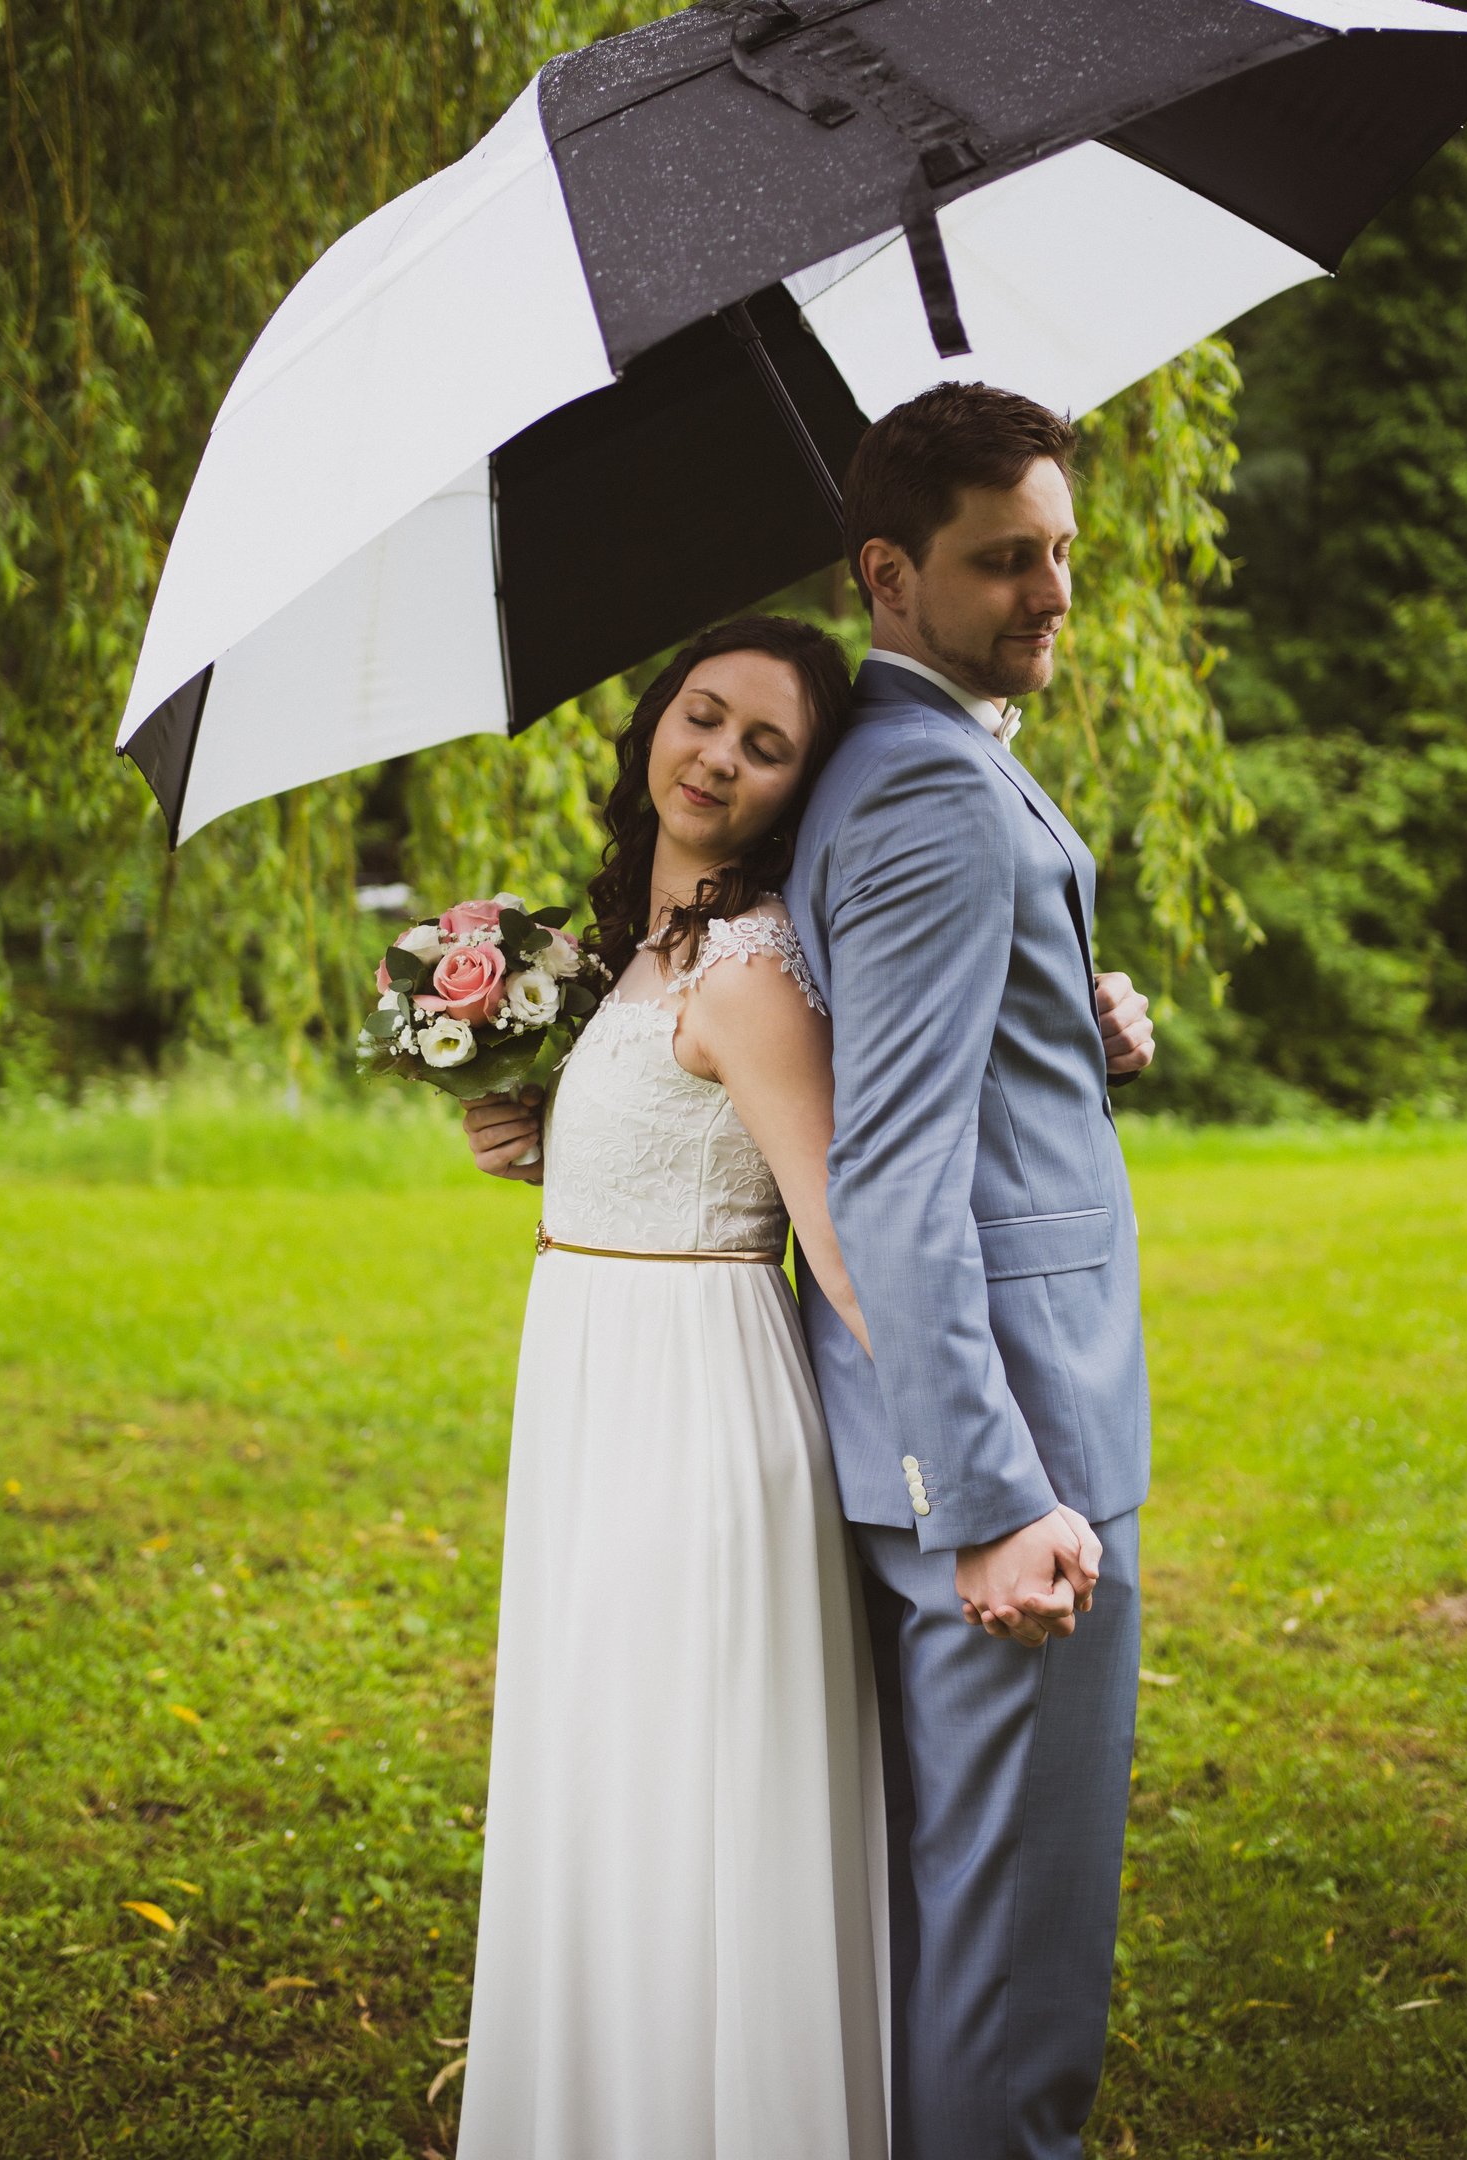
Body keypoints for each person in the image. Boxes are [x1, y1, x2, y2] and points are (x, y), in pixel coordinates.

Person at [452, 614, 890, 2160]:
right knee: (607, 1775)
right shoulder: (619, 954)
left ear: (797, 791)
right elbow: (644, 1160)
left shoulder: (752, 969)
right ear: (658, 721)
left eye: (767, 747)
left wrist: (962, 1468)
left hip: (692, 1412)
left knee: (683, 1788)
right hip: (590, 1384)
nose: (720, 757)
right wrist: (532, 1138)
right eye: (706, 717)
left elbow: (837, 1231)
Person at [782, 382, 1155, 2160]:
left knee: (968, 1926)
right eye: (1005, 561)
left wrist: (1071, 1020)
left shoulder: (918, 756)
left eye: (1061, 552)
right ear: (888, 573)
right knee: (1013, 1988)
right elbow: (897, 1181)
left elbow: (929, 1059)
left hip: (977, 1420)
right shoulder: (929, 798)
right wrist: (997, 1498)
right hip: (1012, 1447)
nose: (1052, 593)